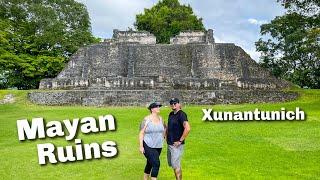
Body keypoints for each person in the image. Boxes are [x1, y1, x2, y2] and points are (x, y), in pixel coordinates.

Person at [139, 102, 166, 180]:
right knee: (156, 164)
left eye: (159, 107)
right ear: (152, 109)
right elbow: (141, 133)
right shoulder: (146, 120)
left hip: (158, 145)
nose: (158, 108)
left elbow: (164, 128)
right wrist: (141, 146)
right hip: (147, 144)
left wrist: (164, 137)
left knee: (150, 163)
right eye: (156, 107)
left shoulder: (161, 119)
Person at [167, 98, 191, 180]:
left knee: (176, 165)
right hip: (170, 143)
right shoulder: (171, 114)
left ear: (179, 104)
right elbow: (169, 127)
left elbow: (187, 128)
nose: (173, 105)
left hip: (176, 145)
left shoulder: (182, 114)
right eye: (172, 103)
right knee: (174, 165)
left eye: (175, 103)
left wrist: (180, 141)